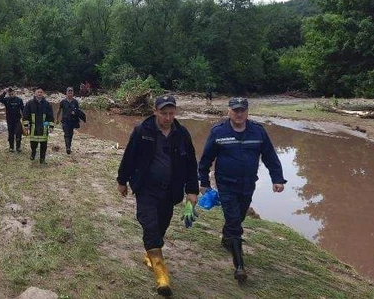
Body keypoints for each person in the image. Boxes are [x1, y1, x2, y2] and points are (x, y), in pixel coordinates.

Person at [116, 95, 199, 296]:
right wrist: (122, 180)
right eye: (164, 113)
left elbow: (190, 164)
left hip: (170, 191)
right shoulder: (142, 131)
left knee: (161, 225)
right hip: (146, 188)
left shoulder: (182, 134)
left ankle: (150, 255)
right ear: (155, 111)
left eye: (171, 113)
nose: (168, 117)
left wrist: (192, 190)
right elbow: (130, 156)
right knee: (150, 223)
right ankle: (161, 275)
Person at [198, 97, 286, 282]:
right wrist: (204, 182)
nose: (239, 114)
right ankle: (239, 266)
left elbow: (270, 156)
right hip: (226, 184)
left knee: (238, 217)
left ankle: (226, 238)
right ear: (228, 111)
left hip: (248, 185)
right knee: (235, 223)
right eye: (235, 110)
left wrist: (277, 178)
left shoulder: (258, 132)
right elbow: (206, 160)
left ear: (247, 112)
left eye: (242, 110)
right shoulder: (219, 132)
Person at [22, 87, 54, 164]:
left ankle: (42, 158)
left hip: (44, 127)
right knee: (33, 143)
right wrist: (26, 125)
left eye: (41, 92)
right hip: (34, 127)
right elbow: (25, 114)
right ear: (35, 93)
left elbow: (50, 116)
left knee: (44, 144)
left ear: (43, 94)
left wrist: (51, 126)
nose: (39, 93)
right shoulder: (29, 103)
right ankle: (33, 153)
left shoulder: (47, 104)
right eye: (38, 92)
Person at [56, 87, 83, 154]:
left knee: (71, 134)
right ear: (66, 93)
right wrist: (57, 119)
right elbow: (59, 110)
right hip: (65, 120)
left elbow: (78, 111)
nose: (70, 93)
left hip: (72, 121)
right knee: (66, 134)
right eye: (69, 92)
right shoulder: (63, 102)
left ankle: (69, 146)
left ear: (73, 93)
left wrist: (77, 116)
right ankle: (67, 148)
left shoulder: (75, 102)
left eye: (71, 92)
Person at [0, 87, 24, 152]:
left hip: (17, 119)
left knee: (18, 132)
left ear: (15, 93)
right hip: (9, 120)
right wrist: (4, 92)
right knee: (11, 133)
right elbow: (0, 99)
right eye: (10, 93)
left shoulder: (19, 100)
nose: (11, 94)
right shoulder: (6, 100)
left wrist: (25, 118)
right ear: (9, 93)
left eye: (13, 92)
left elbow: (23, 109)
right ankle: (11, 147)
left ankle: (18, 147)